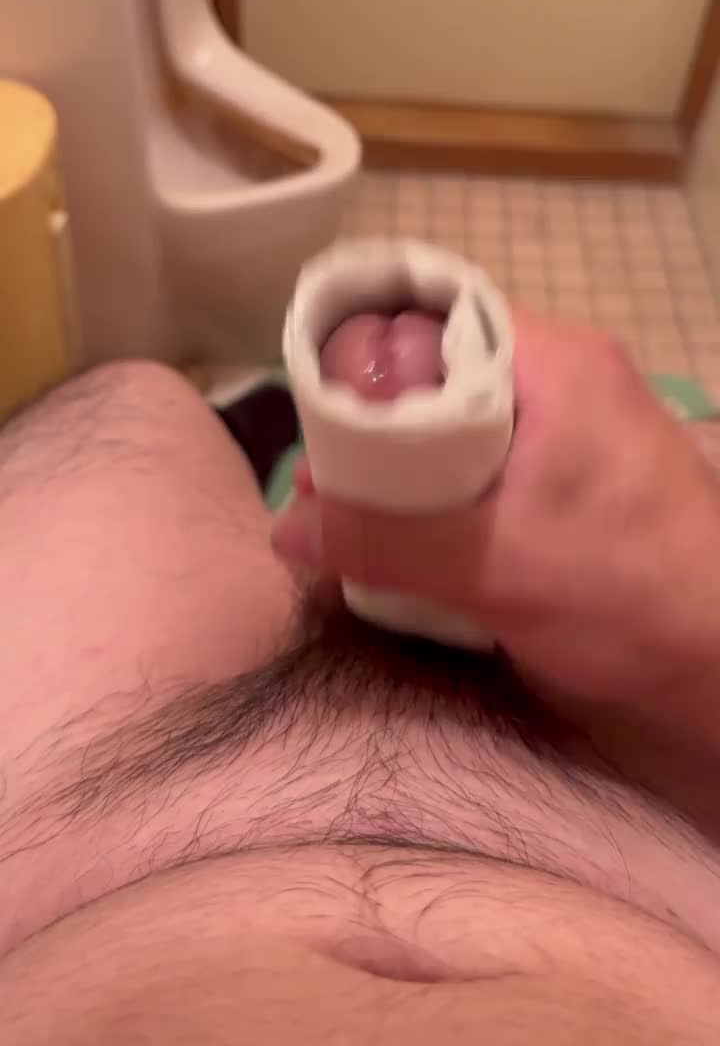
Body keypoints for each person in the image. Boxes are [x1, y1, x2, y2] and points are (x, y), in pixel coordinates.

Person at [2, 313, 720, 1042]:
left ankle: (293, 471)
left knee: (128, 400)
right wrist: (702, 615)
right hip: (670, 865)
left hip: (67, 847)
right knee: (697, 453)